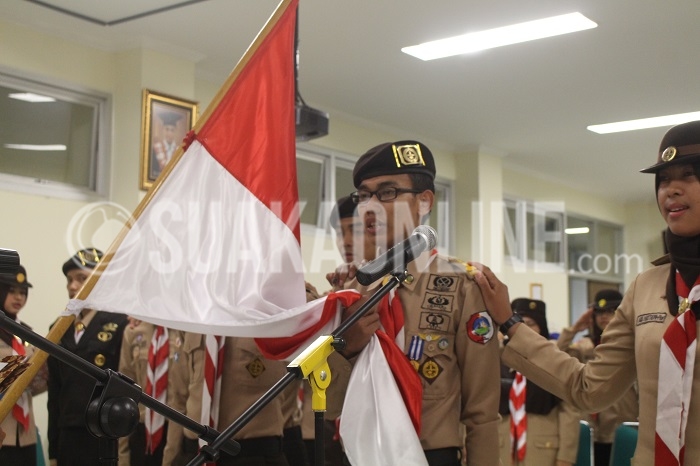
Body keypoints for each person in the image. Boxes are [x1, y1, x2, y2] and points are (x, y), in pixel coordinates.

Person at [472, 120, 700, 465]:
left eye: (689, 175)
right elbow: (590, 389)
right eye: (664, 179)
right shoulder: (647, 286)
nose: (671, 190)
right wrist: (509, 322)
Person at [333, 140, 501, 466]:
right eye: (364, 195)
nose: (370, 206)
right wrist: (346, 349)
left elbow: (482, 411)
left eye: (386, 193)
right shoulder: (352, 290)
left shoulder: (463, 285)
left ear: (424, 202)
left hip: (431, 454)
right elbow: (325, 400)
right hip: (359, 453)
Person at [47, 248, 129, 466]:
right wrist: (53, 450)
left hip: (104, 436)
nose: (72, 286)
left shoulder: (121, 323)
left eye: (81, 278)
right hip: (67, 437)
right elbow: (54, 395)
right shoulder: (57, 329)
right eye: (69, 280)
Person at [556, 290, 639, 466]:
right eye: (600, 313)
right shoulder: (584, 345)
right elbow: (557, 357)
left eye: (611, 311)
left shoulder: (632, 344)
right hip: (591, 429)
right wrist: (574, 329)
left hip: (621, 428)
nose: (604, 317)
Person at [498, 298, 579, 466]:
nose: (526, 329)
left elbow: (569, 412)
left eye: (532, 323)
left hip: (543, 450)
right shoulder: (496, 359)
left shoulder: (554, 362)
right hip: (501, 448)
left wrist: (566, 456)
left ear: (542, 327)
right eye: (521, 323)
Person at [117, 317, 189, 465]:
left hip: (176, 431)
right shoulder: (134, 331)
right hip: (141, 432)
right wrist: (122, 455)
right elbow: (123, 393)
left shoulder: (186, 331)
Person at [0, 264, 48, 465]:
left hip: (25, 431)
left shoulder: (26, 334)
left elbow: (38, 384)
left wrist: (42, 373)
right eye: (11, 291)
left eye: (22, 292)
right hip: (3, 428)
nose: (18, 297)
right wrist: (23, 363)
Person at [151, 111, 184, 177]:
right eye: (167, 129)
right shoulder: (154, 150)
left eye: (172, 130)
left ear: (176, 132)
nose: (169, 133)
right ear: (163, 130)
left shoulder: (180, 152)